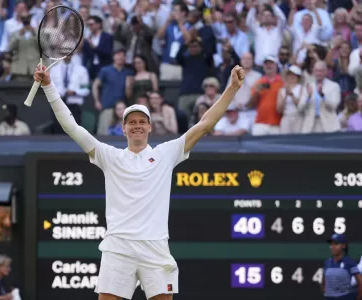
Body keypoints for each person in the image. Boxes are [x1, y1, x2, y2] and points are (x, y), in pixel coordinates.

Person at [33, 63, 245, 300]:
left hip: (155, 248)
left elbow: (204, 124)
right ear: (123, 128)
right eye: (131, 122)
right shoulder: (109, 156)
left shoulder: (166, 153)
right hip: (118, 248)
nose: (137, 126)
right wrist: (49, 86)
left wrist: (232, 88)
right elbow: (71, 126)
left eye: (141, 122)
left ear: (149, 127)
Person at [322, 233, 362, 300]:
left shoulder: (350, 263)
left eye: (336, 244)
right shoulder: (327, 262)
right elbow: (324, 283)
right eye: (331, 244)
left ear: (343, 246)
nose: (332, 246)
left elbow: (360, 283)